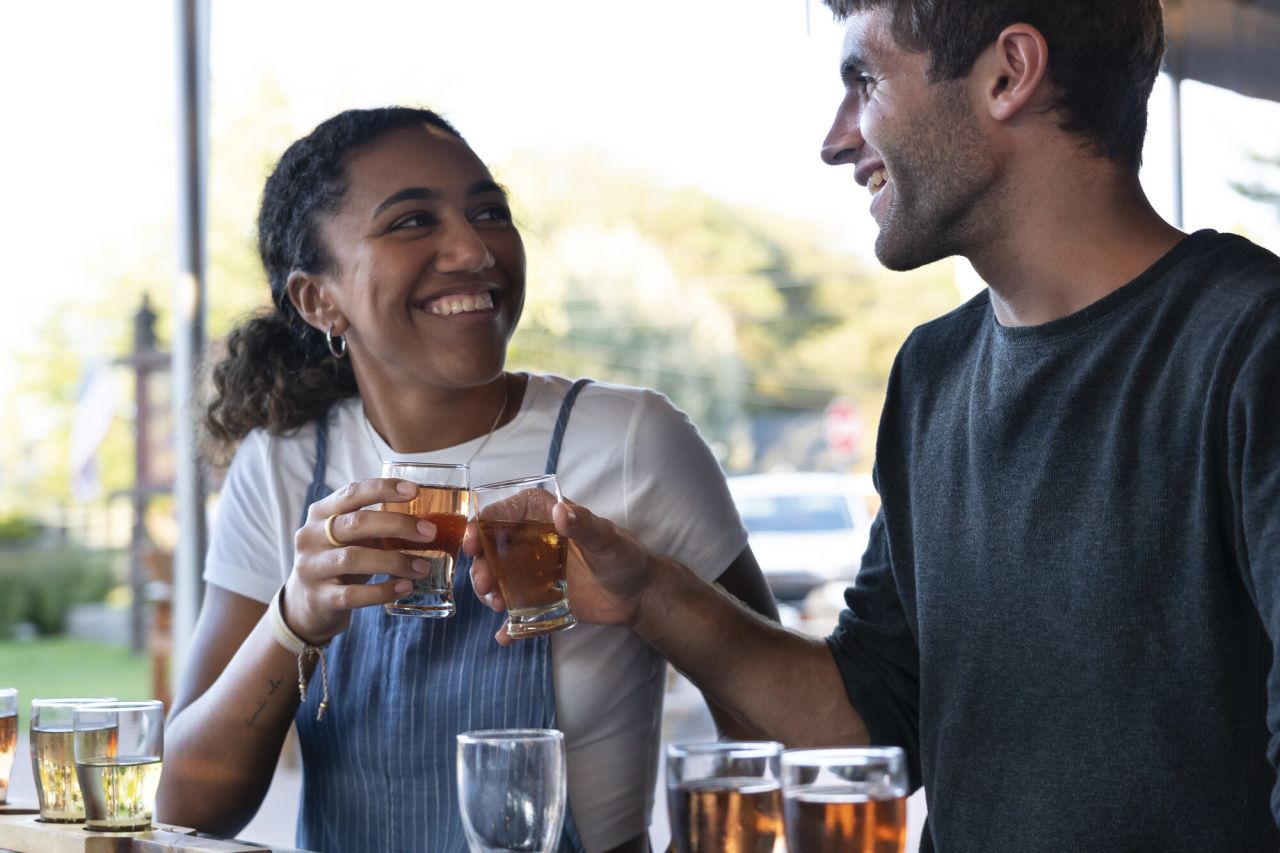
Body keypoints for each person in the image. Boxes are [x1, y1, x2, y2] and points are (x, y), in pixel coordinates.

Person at [471, 2, 1280, 850]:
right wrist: (649, 594)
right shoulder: (932, 373)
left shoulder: (1251, 349)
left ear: (1009, 74)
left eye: (864, 80)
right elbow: (868, 728)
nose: (835, 140)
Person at [155, 106, 777, 853]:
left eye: (490, 212)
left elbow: (766, 720)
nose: (474, 248)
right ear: (319, 299)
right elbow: (188, 803)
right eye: (413, 221)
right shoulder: (285, 464)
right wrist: (297, 615)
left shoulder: (632, 442)